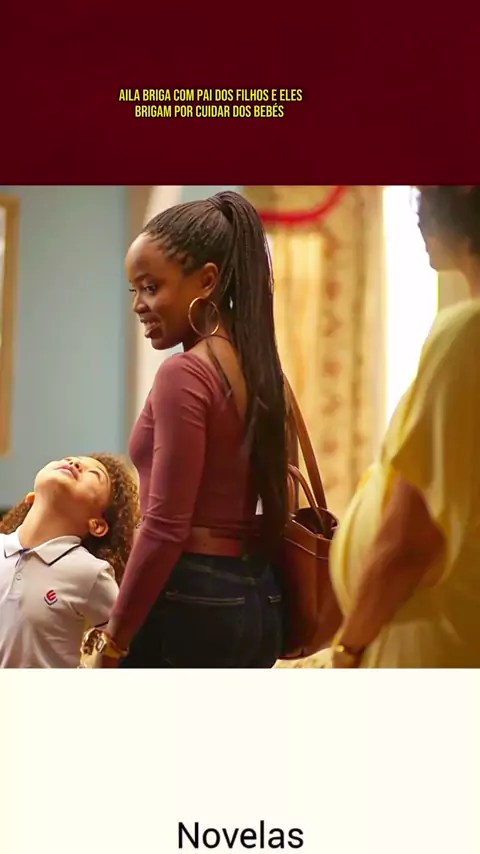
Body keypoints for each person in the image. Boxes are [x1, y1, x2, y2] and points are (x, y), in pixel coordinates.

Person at [90, 191, 288, 668]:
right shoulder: (261, 368)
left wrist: (113, 641)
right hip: (259, 598)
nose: (139, 305)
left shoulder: (185, 374)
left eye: (151, 287)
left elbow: (164, 527)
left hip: (194, 600)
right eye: (134, 290)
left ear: (207, 280)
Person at [327, 185, 480, 668]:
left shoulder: (467, 334)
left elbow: (412, 536)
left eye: (426, 192)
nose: (418, 207)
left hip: (431, 642)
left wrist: (348, 647)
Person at [0, 453, 139, 668]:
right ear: (32, 497)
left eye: (95, 474)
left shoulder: (91, 574)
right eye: (68, 459)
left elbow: (128, 644)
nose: (74, 463)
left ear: (97, 524)